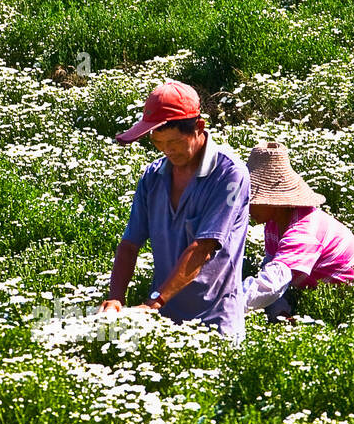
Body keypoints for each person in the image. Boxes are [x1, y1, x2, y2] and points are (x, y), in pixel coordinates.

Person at [98, 80, 250, 343]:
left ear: (199, 127)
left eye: (175, 142)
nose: (168, 151)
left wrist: (154, 302)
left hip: (215, 322)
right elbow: (129, 244)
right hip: (163, 323)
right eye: (158, 143)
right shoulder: (153, 176)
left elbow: (202, 248)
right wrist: (116, 298)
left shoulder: (229, 174)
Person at [239, 141, 354, 323]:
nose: (245, 206)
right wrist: (279, 312)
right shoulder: (274, 224)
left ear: (271, 201)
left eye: (251, 199)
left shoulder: (303, 232)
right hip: (321, 301)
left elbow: (272, 284)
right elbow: (272, 268)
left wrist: (226, 305)